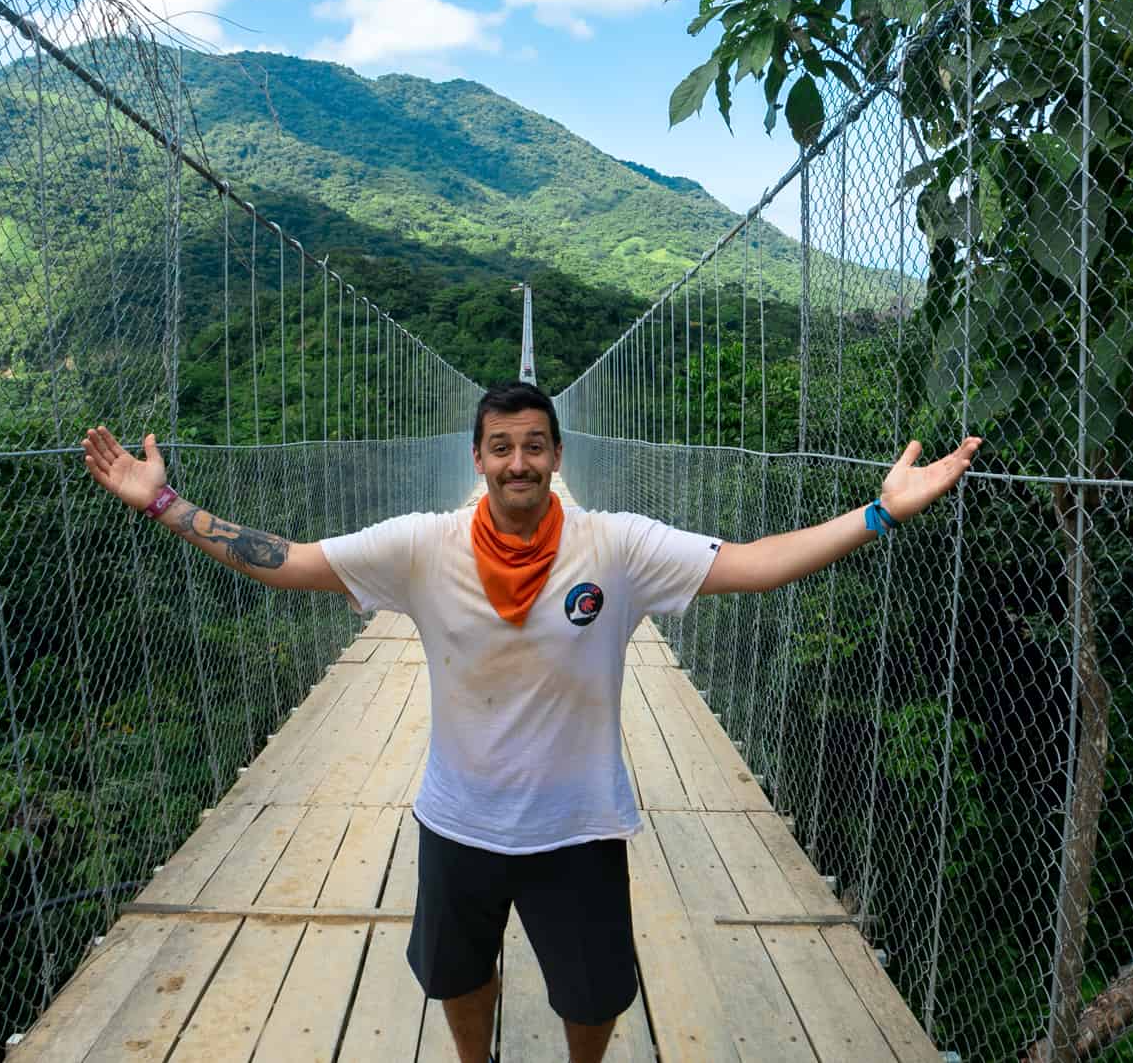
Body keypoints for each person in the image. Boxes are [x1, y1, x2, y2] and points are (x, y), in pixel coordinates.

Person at [81, 380, 981, 1063]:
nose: (519, 462)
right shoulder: (421, 547)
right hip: (458, 819)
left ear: (557, 457)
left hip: (578, 825)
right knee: (459, 976)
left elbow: (754, 564)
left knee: (594, 998)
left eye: (536, 446)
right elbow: (288, 561)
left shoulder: (617, 547)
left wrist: (879, 511)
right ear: (477, 456)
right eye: (502, 446)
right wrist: (163, 503)